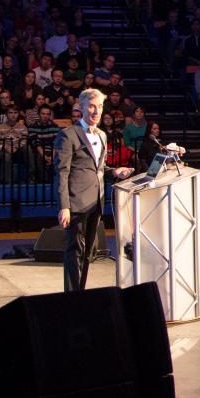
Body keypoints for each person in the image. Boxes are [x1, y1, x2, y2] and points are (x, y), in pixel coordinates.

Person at [55, 88, 134, 291]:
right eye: (91, 106)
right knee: (75, 252)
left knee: (88, 253)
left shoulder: (102, 135)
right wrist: (64, 206)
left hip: (95, 203)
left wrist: (114, 171)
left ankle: (81, 293)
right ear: (81, 108)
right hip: (76, 203)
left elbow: (98, 169)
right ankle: (72, 296)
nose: (96, 111)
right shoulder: (68, 135)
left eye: (99, 106)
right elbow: (62, 173)